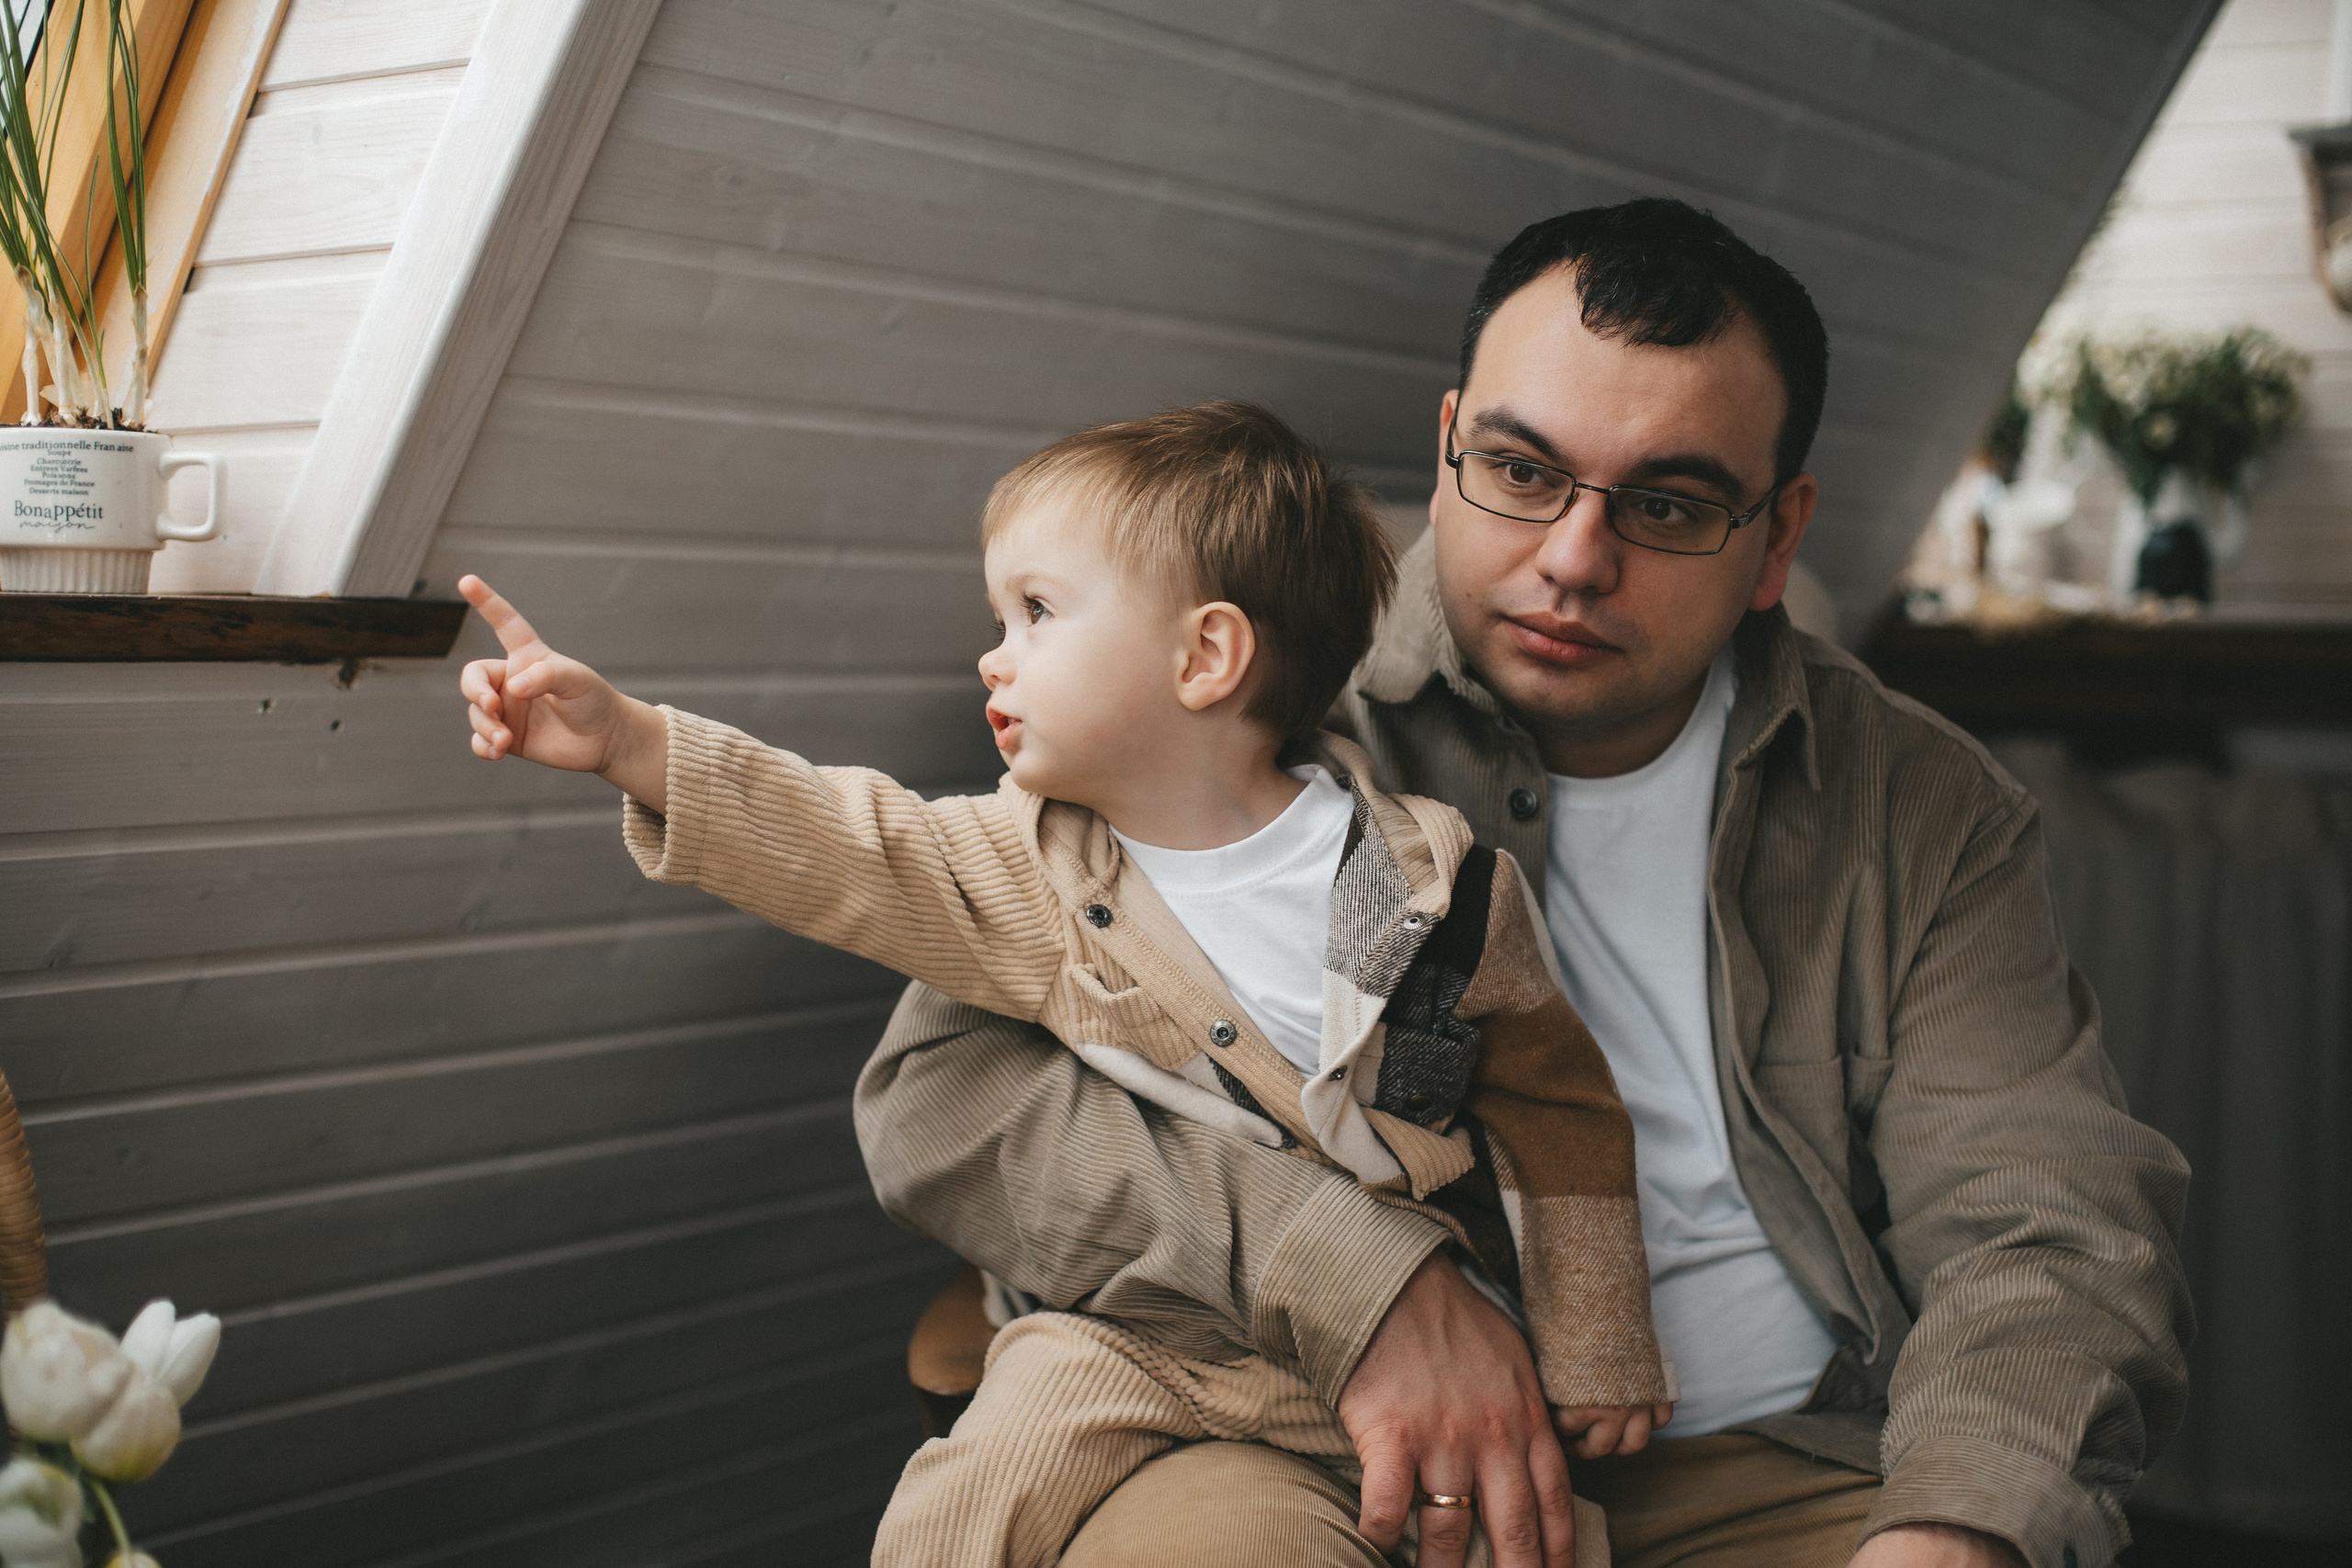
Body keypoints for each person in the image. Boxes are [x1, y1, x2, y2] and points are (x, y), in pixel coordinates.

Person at [854, 199, 2194, 1568]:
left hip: (1789, 1463)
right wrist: (1356, 1283)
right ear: (1448, 447)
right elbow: (951, 1096)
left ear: (1777, 535)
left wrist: (1958, 1531)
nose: (1572, 559)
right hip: (1287, 1429)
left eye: (1667, 505)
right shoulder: (1243, 674)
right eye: (1520, 469)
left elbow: (2045, 1223)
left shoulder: (1920, 803)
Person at [448, 400, 1674, 1568]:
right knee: (954, 1510)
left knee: (1519, 1526)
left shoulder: (1435, 889)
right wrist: (631, 745)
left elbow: (1556, 1110)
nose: (994, 655)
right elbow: (842, 839)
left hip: (1378, 1354)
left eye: (1038, 611)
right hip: (1130, 1340)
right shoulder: (1026, 863)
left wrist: (1598, 1342)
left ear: (1207, 654)